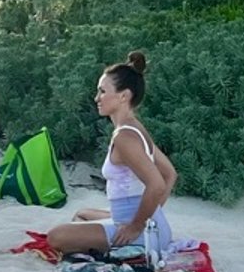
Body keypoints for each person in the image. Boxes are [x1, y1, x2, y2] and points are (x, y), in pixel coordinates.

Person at [46, 52, 177, 258]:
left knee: (55, 237)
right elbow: (170, 174)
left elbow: (158, 184)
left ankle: (129, 239)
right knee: (82, 213)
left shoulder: (125, 137)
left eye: (102, 91)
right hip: (151, 226)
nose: (96, 98)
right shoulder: (135, 128)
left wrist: (137, 225)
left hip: (140, 235)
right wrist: (153, 215)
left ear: (124, 96)